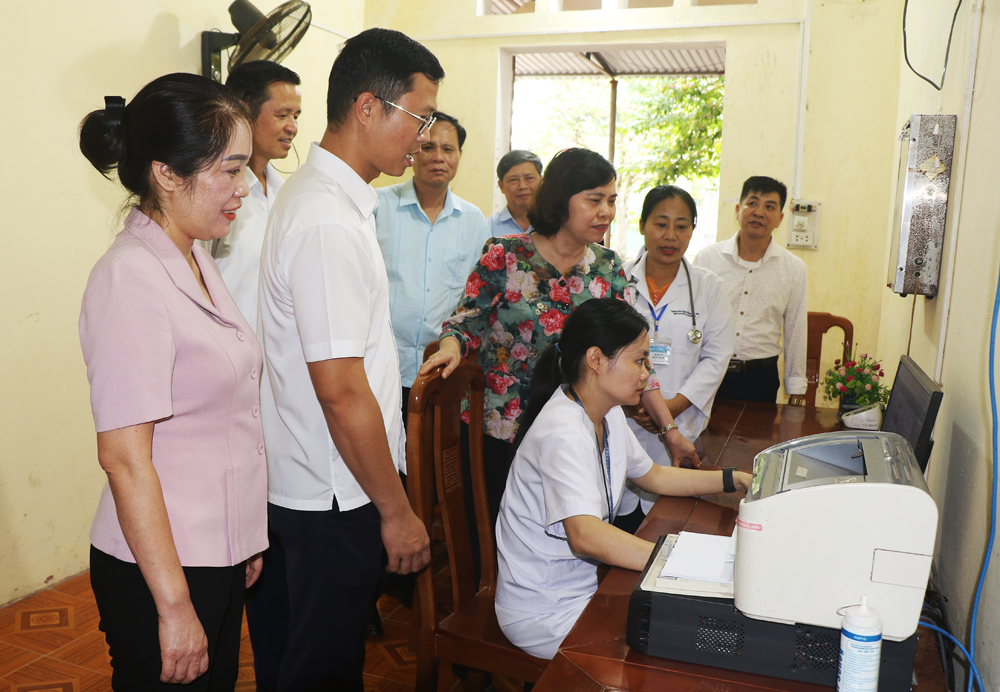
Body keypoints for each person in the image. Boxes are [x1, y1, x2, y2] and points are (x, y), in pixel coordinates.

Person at [247, 28, 442, 691]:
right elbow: (340, 389)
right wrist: (396, 510)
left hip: (318, 482)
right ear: (367, 108)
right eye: (419, 118)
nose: (424, 139)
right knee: (321, 672)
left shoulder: (327, 201)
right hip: (334, 493)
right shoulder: (327, 218)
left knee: (295, 663)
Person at [77, 73, 267, 690]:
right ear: (166, 173)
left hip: (212, 549)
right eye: (230, 170)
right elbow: (124, 457)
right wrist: (176, 606)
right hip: (162, 569)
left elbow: (218, 415)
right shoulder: (130, 277)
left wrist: (243, 535)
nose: (244, 187)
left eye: (245, 169)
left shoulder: (194, 255)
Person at [420, 148, 696, 539]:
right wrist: (450, 346)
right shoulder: (505, 255)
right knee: (497, 537)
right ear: (560, 198)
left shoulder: (607, 267)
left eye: (612, 201)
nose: (606, 212)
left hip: (576, 431)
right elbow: (466, 324)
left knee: (573, 536)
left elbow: (634, 357)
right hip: (501, 430)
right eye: (594, 200)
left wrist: (670, 431)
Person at [494, 298, 751, 660]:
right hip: (544, 612)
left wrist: (734, 480)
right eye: (639, 360)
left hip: (581, 590)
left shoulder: (607, 412)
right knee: (684, 641)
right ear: (596, 360)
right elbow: (586, 536)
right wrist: (680, 561)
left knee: (692, 625)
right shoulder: (563, 431)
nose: (647, 373)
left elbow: (655, 476)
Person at [617, 186, 734, 527]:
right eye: (660, 224)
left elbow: (716, 357)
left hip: (681, 426)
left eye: (682, 226)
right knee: (618, 519)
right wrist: (634, 407)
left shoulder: (708, 287)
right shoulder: (618, 279)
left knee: (669, 522)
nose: (670, 236)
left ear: (692, 231)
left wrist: (669, 409)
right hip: (624, 420)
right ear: (642, 225)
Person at [375, 111, 489, 417]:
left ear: (459, 155)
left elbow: (476, 301)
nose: (438, 156)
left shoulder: (473, 221)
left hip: (443, 374)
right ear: (413, 150)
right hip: (382, 368)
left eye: (448, 149)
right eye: (428, 147)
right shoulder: (378, 207)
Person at [693, 176, 807, 405]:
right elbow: (692, 319)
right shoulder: (708, 259)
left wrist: (796, 391)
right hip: (709, 372)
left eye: (769, 207)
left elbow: (796, 331)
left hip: (761, 379)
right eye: (752, 203)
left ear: (780, 219)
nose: (759, 212)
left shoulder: (793, 268)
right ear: (738, 210)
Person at [205, 60, 301, 330]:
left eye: (296, 116)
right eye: (282, 115)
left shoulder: (287, 194)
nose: (293, 127)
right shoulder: (214, 191)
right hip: (226, 345)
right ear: (243, 112)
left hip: (277, 352)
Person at [487, 149, 542, 236]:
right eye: (513, 180)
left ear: (541, 181)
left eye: (529, 178)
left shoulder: (556, 225)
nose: (522, 186)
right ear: (501, 186)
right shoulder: (488, 228)